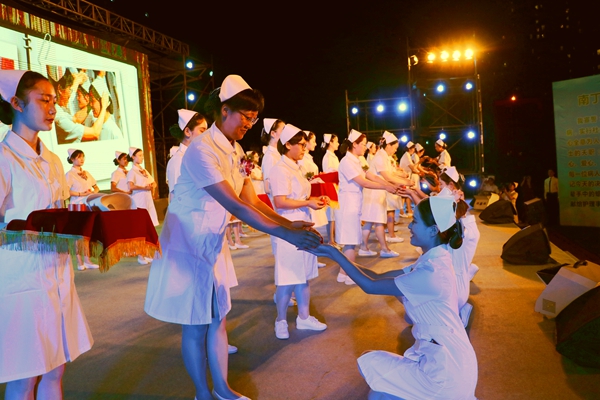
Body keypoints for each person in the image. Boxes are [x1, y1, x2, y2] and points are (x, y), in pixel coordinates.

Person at [144, 75, 321, 400]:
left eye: (253, 119)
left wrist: (289, 224)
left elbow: (251, 200)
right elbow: (235, 205)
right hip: (188, 244)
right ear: (225, 110)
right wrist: (286, 233)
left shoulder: (236, 149)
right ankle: (203, 393)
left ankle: (223, 389)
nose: (249, 124)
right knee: (195, 324)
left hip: (213, 243)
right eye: (246, 117)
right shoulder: (201, 150)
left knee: (218, 318)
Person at [307, 196, 478, 400]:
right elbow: (376, 276)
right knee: (378, 390)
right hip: (444, 358)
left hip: (447, 372)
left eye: (415, 221)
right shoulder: (432, 261)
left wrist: (333, 253)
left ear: (433, 230)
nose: (410, 226)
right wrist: (334, 254)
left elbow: (370, 286)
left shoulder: (431, 272)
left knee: (375, 379)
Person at [0, 69, 94, 399]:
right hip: (22, 280)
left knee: (56, 368)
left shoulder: (52, 159)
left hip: (57, 275)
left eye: (54, 100)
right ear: (16, 104)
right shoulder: (4, 158)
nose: (53, 108)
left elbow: (59, 211)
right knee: (25, 377)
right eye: (43, 100)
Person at [270, 124, 328, 339]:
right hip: (288, 227)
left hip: (303, 223)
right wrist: (307, 202)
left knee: (303, 275)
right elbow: (280, 201)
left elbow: (301, 196)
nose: (305, 148)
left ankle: (304, 317)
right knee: (287, 277)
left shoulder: (298, 167)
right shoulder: (280, 169)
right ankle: (281, 320)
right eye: (301, 145)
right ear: (287, 144)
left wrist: (315, 200)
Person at [337, 129, 404, 285]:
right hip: (348, 205)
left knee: (350, 242)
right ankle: (350, 276)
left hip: (354, 203)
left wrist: (388, 184)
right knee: (350, 243)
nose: (365, 147)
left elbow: (370, 175)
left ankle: (342, 274)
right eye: (363, 144)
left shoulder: (357, 160)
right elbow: (363, 182)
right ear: (354, 145)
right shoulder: (347, 162)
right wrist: (385, 187)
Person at [65, 148, 101, 271]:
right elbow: (66, 191)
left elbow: (96, 187)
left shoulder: (87, 173)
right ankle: (79, 262)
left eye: (83, 157)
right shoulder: (69, 174)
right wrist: (81, 194)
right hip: (76, 205)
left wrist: (93, 192)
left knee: (87, 233)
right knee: (78, 234)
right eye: (79, 157)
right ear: (72, 159)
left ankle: (87, 260)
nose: (82, 159)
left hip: (87, 204)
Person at [54, 68, 108, 143]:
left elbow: (75, 118)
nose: (72, 95)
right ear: (60, 89)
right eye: (70, 90)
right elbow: (94, 133)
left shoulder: (58, 109)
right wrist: (104, 106)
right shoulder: (59, 118)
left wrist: (90, 103)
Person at [166, 109, 208, 201]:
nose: (206, 135)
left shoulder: (197, 158)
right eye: (202, 131)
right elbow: (175, 196)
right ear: (187, 131)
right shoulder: (178, 160)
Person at [127, 147, 159, 264]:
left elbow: (153, 182)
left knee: (148, 227)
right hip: (139, 200)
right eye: (139, 155)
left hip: (147, 200)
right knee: (140, 229)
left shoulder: (143, 170)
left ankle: (147, 253)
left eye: (142, 155)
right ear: (133, 157)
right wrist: (144, 188)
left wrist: (152, 186)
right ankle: (141, 255)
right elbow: (130, 186)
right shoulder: (132, 172)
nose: (142, 157)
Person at [321, 133, 340, 247]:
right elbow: (328, 174)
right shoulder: (327, 157)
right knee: (331, 215)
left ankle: (335, 239)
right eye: (336, 141)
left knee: (334, 215)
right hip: (330, 188)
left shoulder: (333, 156)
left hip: (336, 187)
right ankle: (331, 240)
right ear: (331, 143)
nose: (338, 143)